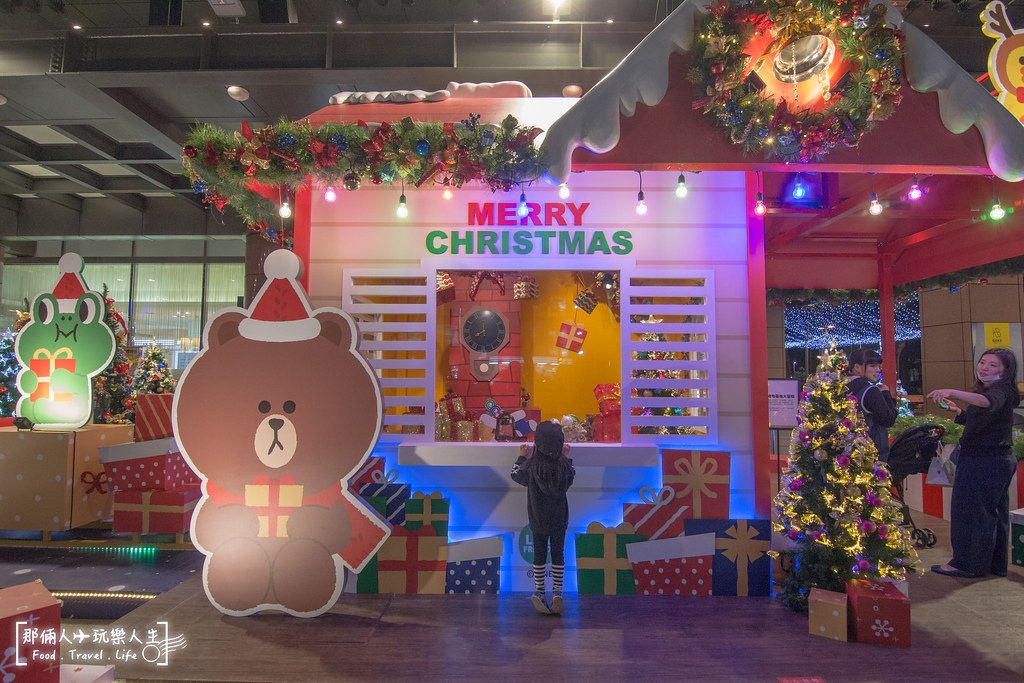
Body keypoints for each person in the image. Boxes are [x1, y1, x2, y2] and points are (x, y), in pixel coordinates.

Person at [926, 347, 1020, 578]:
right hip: (991, 460)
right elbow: (983, 420)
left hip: (985, 461)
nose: (984, 368)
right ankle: (992, 565)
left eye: (992, 365)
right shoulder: (992, 391)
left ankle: (967, 564)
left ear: (1005, 370)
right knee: (990, 514)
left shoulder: (1001, 391)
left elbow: (988, 402)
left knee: (971, 514)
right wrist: (959, 411)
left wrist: (952, 391)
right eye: (982, 362)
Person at [511, 420, 574, 614]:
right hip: (559, 519)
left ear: (537, 443)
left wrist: (521, 457)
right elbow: (569, 480)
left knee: (539, 555)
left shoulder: (531, 467)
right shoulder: (563, 467)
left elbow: (515, 475)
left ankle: (539, 591)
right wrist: (566, 458)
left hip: (538, 520)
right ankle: (557, 592)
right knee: (558, 555)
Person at [845, 348, 898, 461]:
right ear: (857, 367)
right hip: (872, 454)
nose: (878, 370)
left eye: (879, 366)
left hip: (848, 453)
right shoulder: (870, 391)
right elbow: (888, 420)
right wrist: (887, 395)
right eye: (872, 366)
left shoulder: (841, 388)